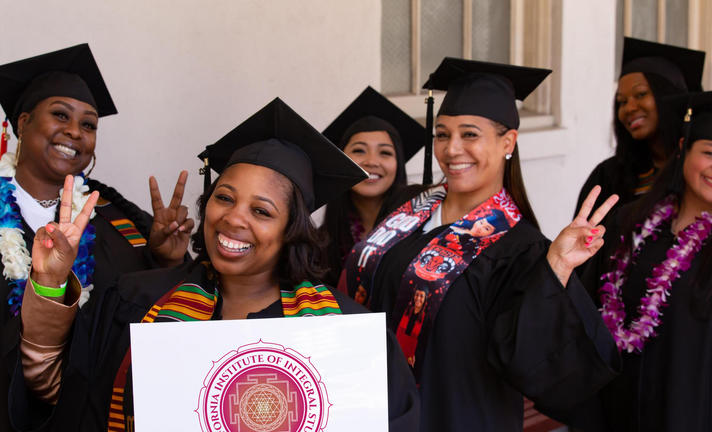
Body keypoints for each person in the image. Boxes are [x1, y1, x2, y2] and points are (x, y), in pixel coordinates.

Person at [8, 98, 420, 432]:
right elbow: (54, 390)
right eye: (224, 198)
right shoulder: (134, 302)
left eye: (261, 211)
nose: (234, 218)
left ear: (291, 231)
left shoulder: (343, 331)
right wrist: (47, 283)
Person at [339, 57, 620, 432]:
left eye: (469, 134)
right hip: (378, 410)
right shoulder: (406, 204)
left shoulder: (521, 248)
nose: (452, 149)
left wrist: (556, 268)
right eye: (442, 134)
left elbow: (526, 359)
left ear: (508, 142)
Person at [0, 44, 192, 430]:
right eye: (60, 115)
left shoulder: (114, 214)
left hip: (100, 413)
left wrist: (165, 259)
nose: (75, 132)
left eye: (89, 125)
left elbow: (147, 312)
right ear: (22, 122)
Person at [580, 88, 712, 431]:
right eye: (710, 153)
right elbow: (585, 319)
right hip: (623, 416)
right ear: (683, 150)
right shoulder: (630, 224)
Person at [575, 37, 705, 215]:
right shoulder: (609, 176)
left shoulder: (703, 169)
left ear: (670, 96)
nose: (629, 108)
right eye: (622, 101)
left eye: (641, 94)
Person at [320, 86, 424, 285]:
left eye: (385, 152)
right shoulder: (320, 242)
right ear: (340, 160)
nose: (371, 161)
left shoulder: (421, 231)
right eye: (359, 150)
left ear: (398, 165)